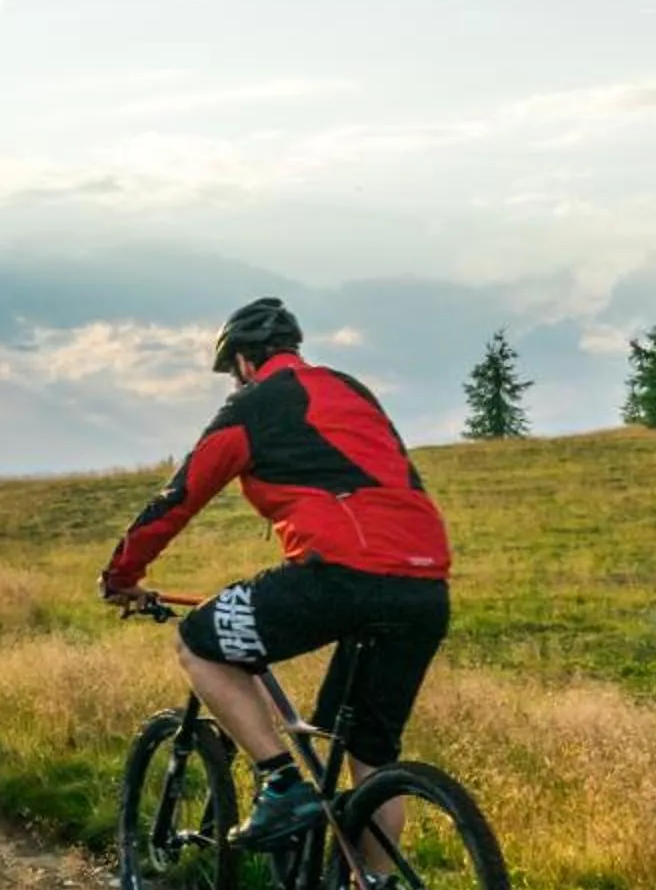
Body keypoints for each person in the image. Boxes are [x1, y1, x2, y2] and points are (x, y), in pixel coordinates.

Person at [99, 298, 451, 849]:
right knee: (370, 762)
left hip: (339, 577)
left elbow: (179, 496)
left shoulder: (253, 405)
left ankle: (281, 782)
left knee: (199, 643)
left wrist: (122, 575)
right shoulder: (351, 391)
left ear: (241, 364)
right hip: (425, 585)